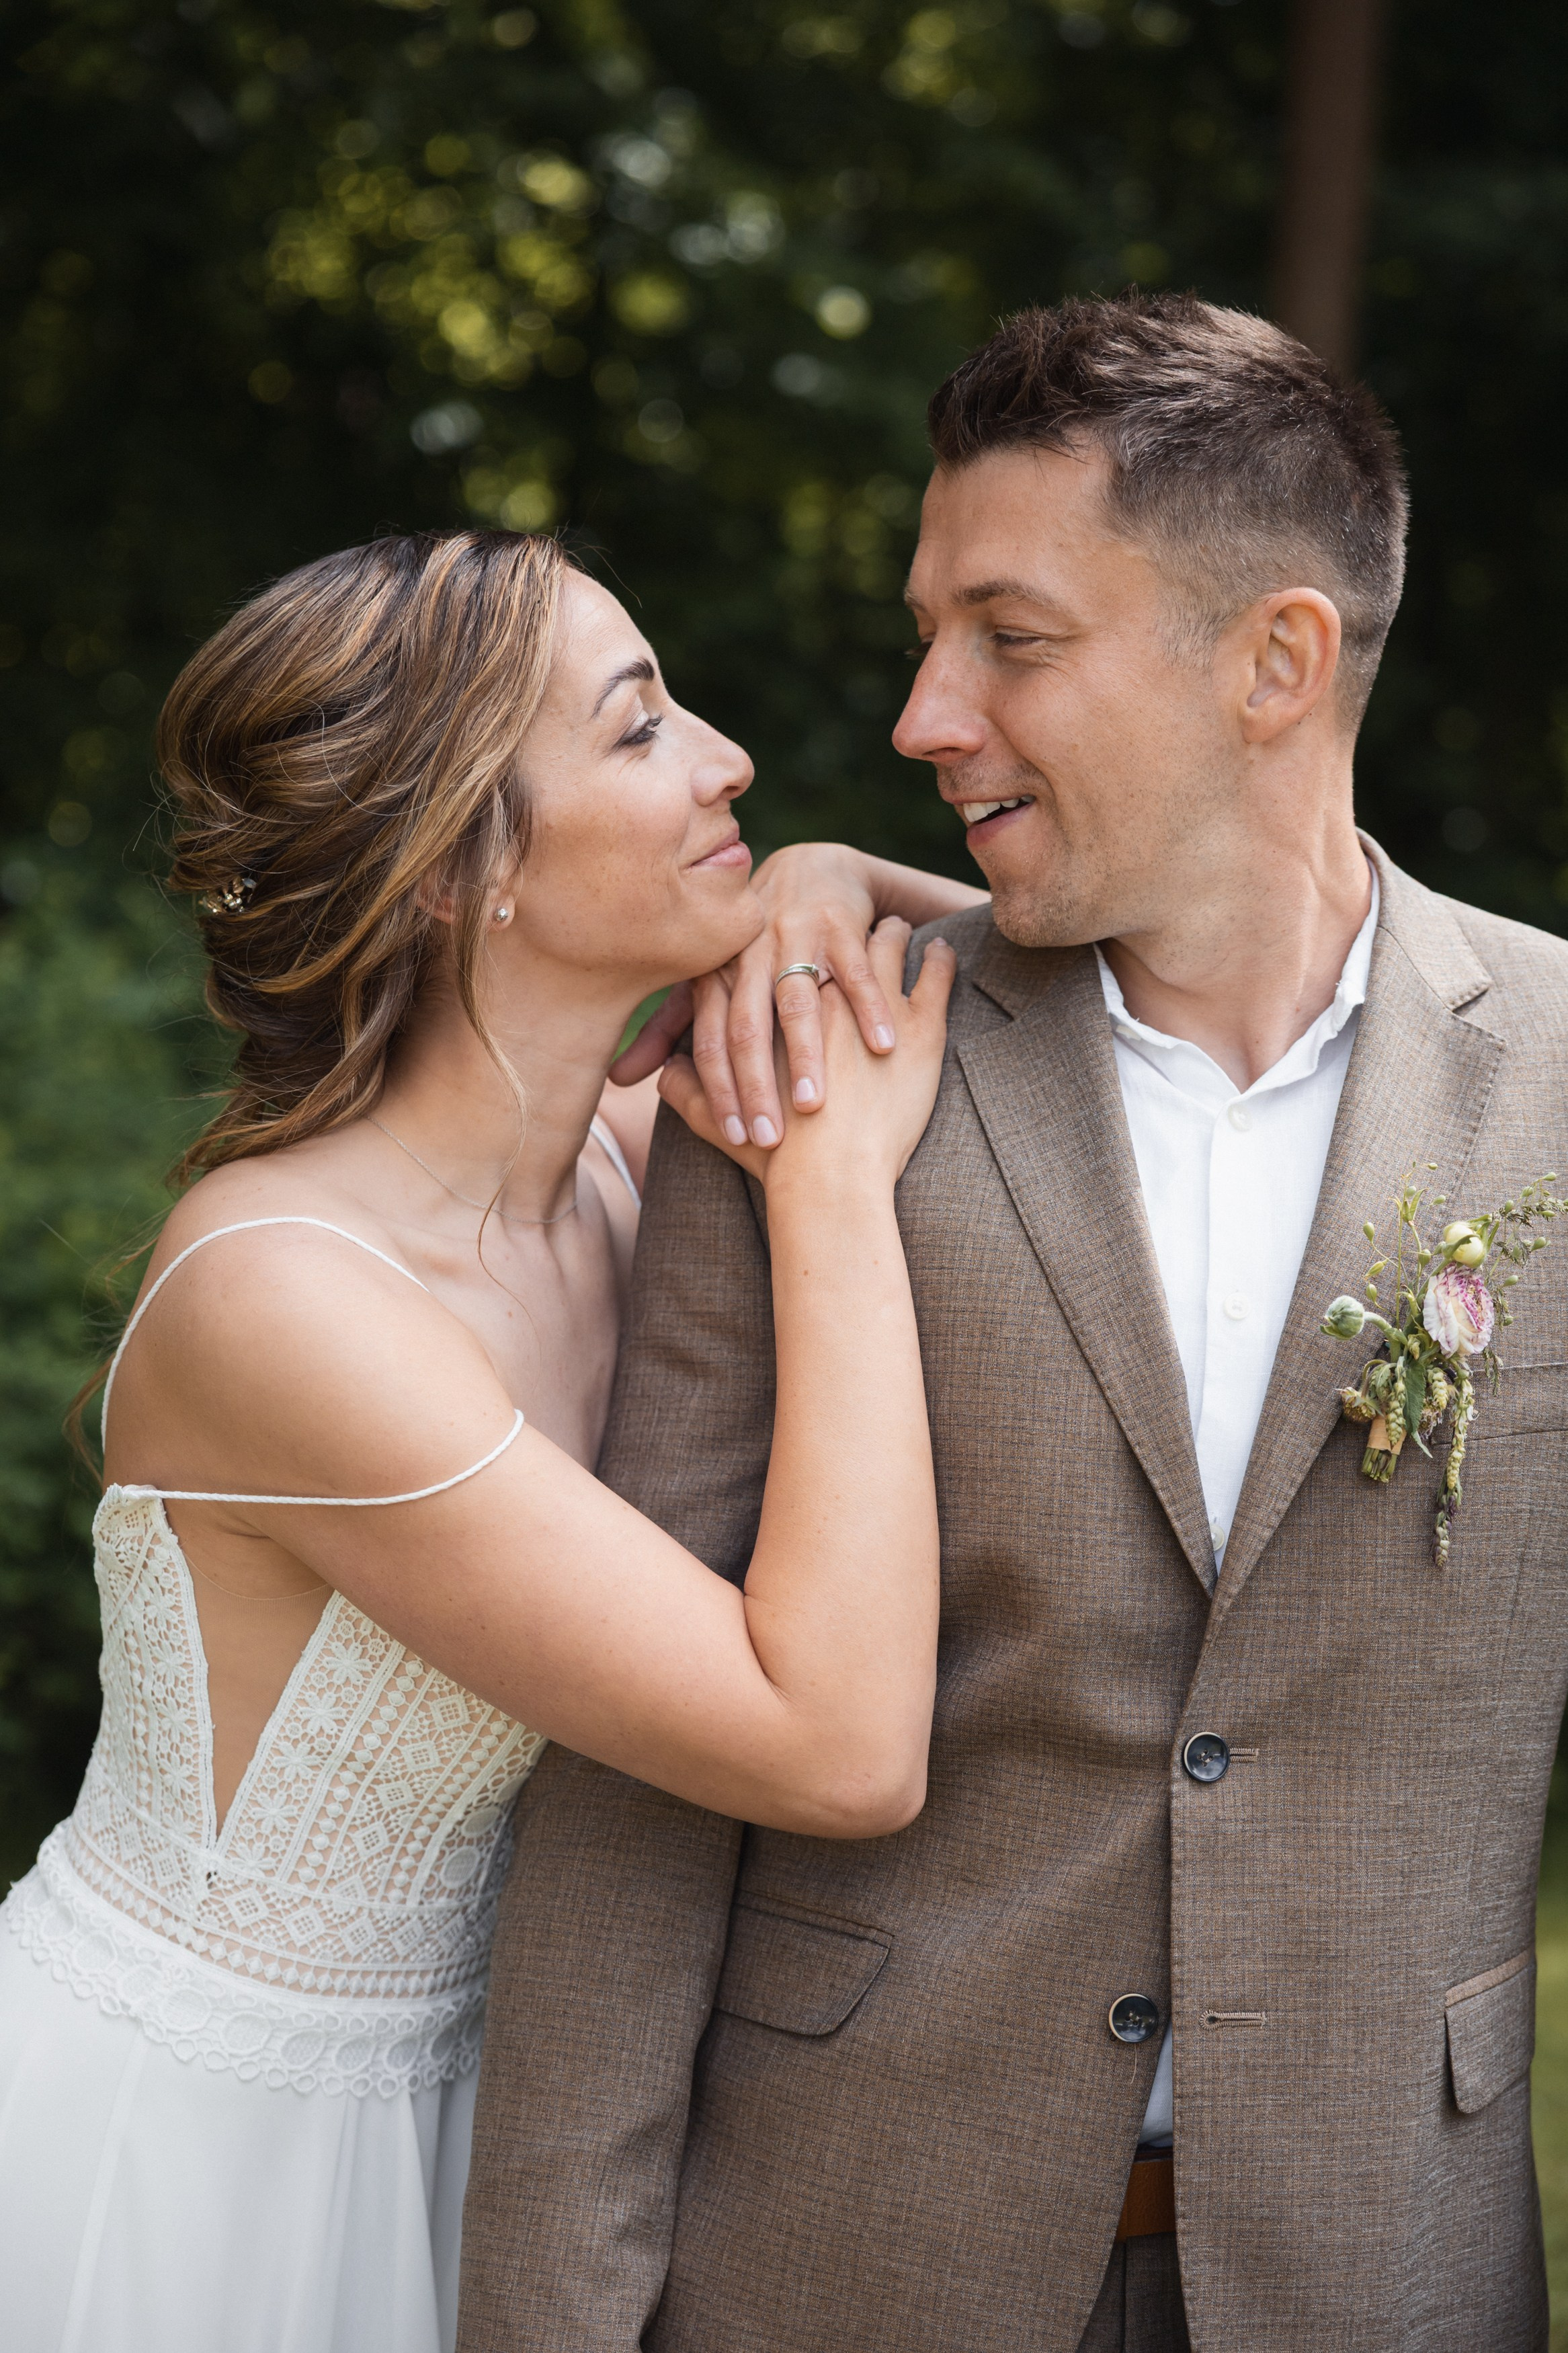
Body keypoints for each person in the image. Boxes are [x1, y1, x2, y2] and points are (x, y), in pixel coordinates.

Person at [458, 293, 1568, 2352]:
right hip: (847, 2255)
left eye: (1011, 636)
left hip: (1385, 2276)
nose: (922, 714)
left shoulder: (1564, 1086)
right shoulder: (805, 1060)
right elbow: (638, 1781)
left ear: (1277, 660)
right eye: (925, 631)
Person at [0, 526, 981, 2353]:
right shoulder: (282, 1302)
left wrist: (832, 877)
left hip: (482, 2125)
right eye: (635, 733)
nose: (729, 761)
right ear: (462, 868)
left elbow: (1054, 1011)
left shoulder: (618, 1168)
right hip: (189, 2155)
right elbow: (838, 1744)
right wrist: (829, 1195)